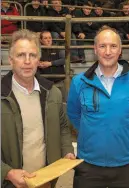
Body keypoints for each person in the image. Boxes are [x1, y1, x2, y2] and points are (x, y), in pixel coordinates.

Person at [67, 26, 129, 188]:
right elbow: (74, 115)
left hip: (126, 165)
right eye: (102, 46)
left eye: (113, 46)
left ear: (120, 50)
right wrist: (93, 133)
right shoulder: (79, 82)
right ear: (95, 50)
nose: (108, 51)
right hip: (88, 164)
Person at [1, 29, 75, 188]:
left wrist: (67, 150)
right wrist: (6, 172)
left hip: (45, 181)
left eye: (32, 55)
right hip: (10, 183)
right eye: (21, 55)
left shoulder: (53, 93)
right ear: (10, 60)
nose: (27, 61)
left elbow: (62, 126)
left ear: (38, 60)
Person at [38, 30, 67, 101]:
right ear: (41, 40)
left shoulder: (58, 48)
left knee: (63, 103)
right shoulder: (37, 50)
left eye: (50, 38)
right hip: (44, 84)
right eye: (45, 38)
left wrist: (50, 63)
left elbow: (65, 59)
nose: (48, 40)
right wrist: (37, 63)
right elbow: (33, 60)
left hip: (59, 82)